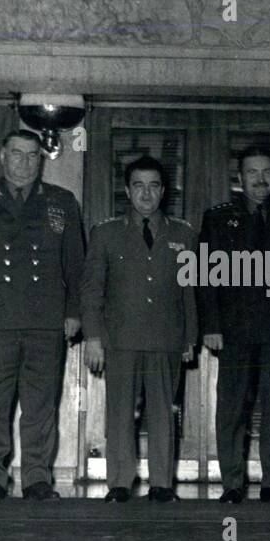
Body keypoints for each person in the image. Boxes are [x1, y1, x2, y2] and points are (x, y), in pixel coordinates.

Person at [0, 130, 85, 501]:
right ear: (2, 156)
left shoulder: (62, 202)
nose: (25, 163)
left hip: (46, 318)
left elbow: (75, 266)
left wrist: (74, 311)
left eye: (32, 156)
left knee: (41, 405)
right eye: (17, 154)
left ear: (41, 160)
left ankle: (37, 477)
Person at [197, 147, 270, 505]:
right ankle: (232, 483)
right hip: (234, 328)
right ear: (240, 179)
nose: (260, 179)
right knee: (232, 407)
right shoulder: (218, 219)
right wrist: (211, 325)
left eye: (267, 172)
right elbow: (205, 278)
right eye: (252, 173)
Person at [81, 156, 197, 503]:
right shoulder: (105, 233)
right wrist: (93, 337)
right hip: (121, 339)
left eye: (153, 186)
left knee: (164, 411)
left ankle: (162, 484)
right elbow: (91, 291)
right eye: (138, 185)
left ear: (163, 191)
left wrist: (190, 336)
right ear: (127, 191)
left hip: (166, 338)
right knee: (119, 412)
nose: (146, 193)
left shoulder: (184, 234)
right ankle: (119, 482)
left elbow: (190, 290)